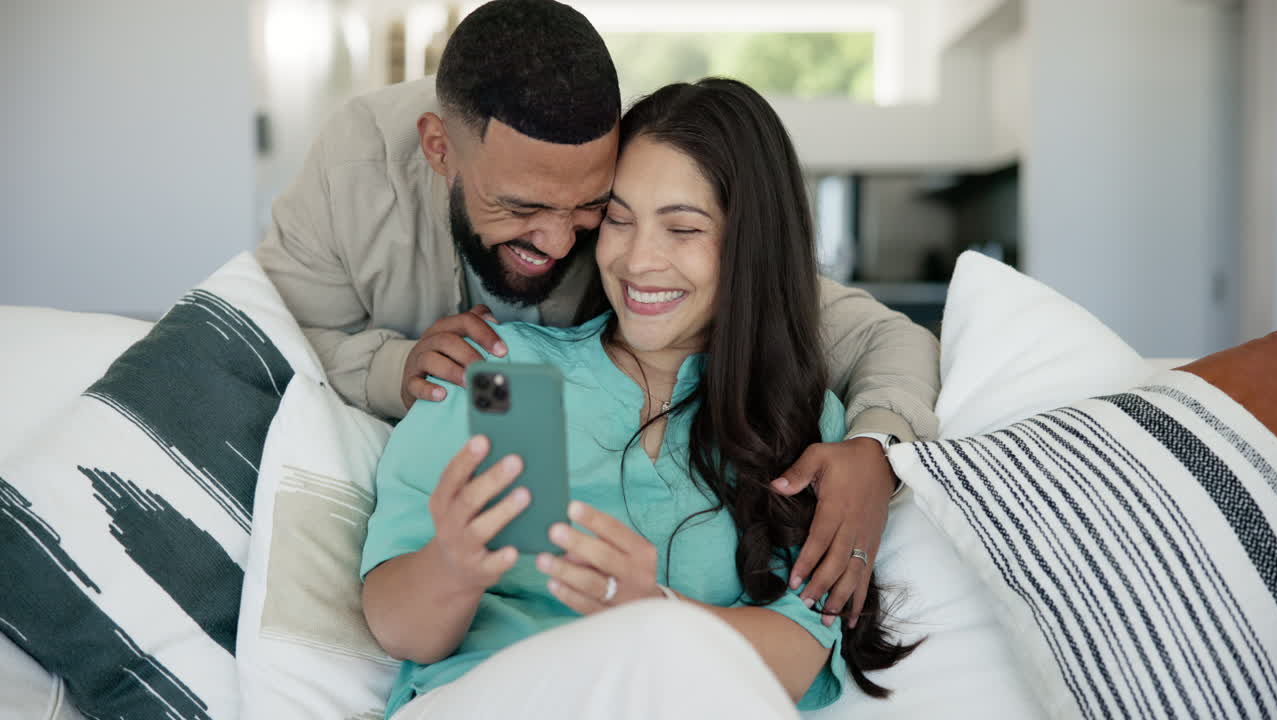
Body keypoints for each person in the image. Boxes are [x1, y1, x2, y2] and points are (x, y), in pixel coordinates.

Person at [257, 0, 939, 627]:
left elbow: (877, 335)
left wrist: (877, 449)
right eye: (521, 208)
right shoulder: (355, 169)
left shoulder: (633, 198)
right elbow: (263, 339)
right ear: (440, 148)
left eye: (590, 208)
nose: (559, 243)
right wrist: (390, 366)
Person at [360, 78, 921, 720]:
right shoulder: (508, 373)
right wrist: (453, 565)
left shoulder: (797, 422)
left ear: (749, 245)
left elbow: (798, 653)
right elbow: (397, 627)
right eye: (619, 220)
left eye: (682, 229)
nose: (637, 259)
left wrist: (651, 610)